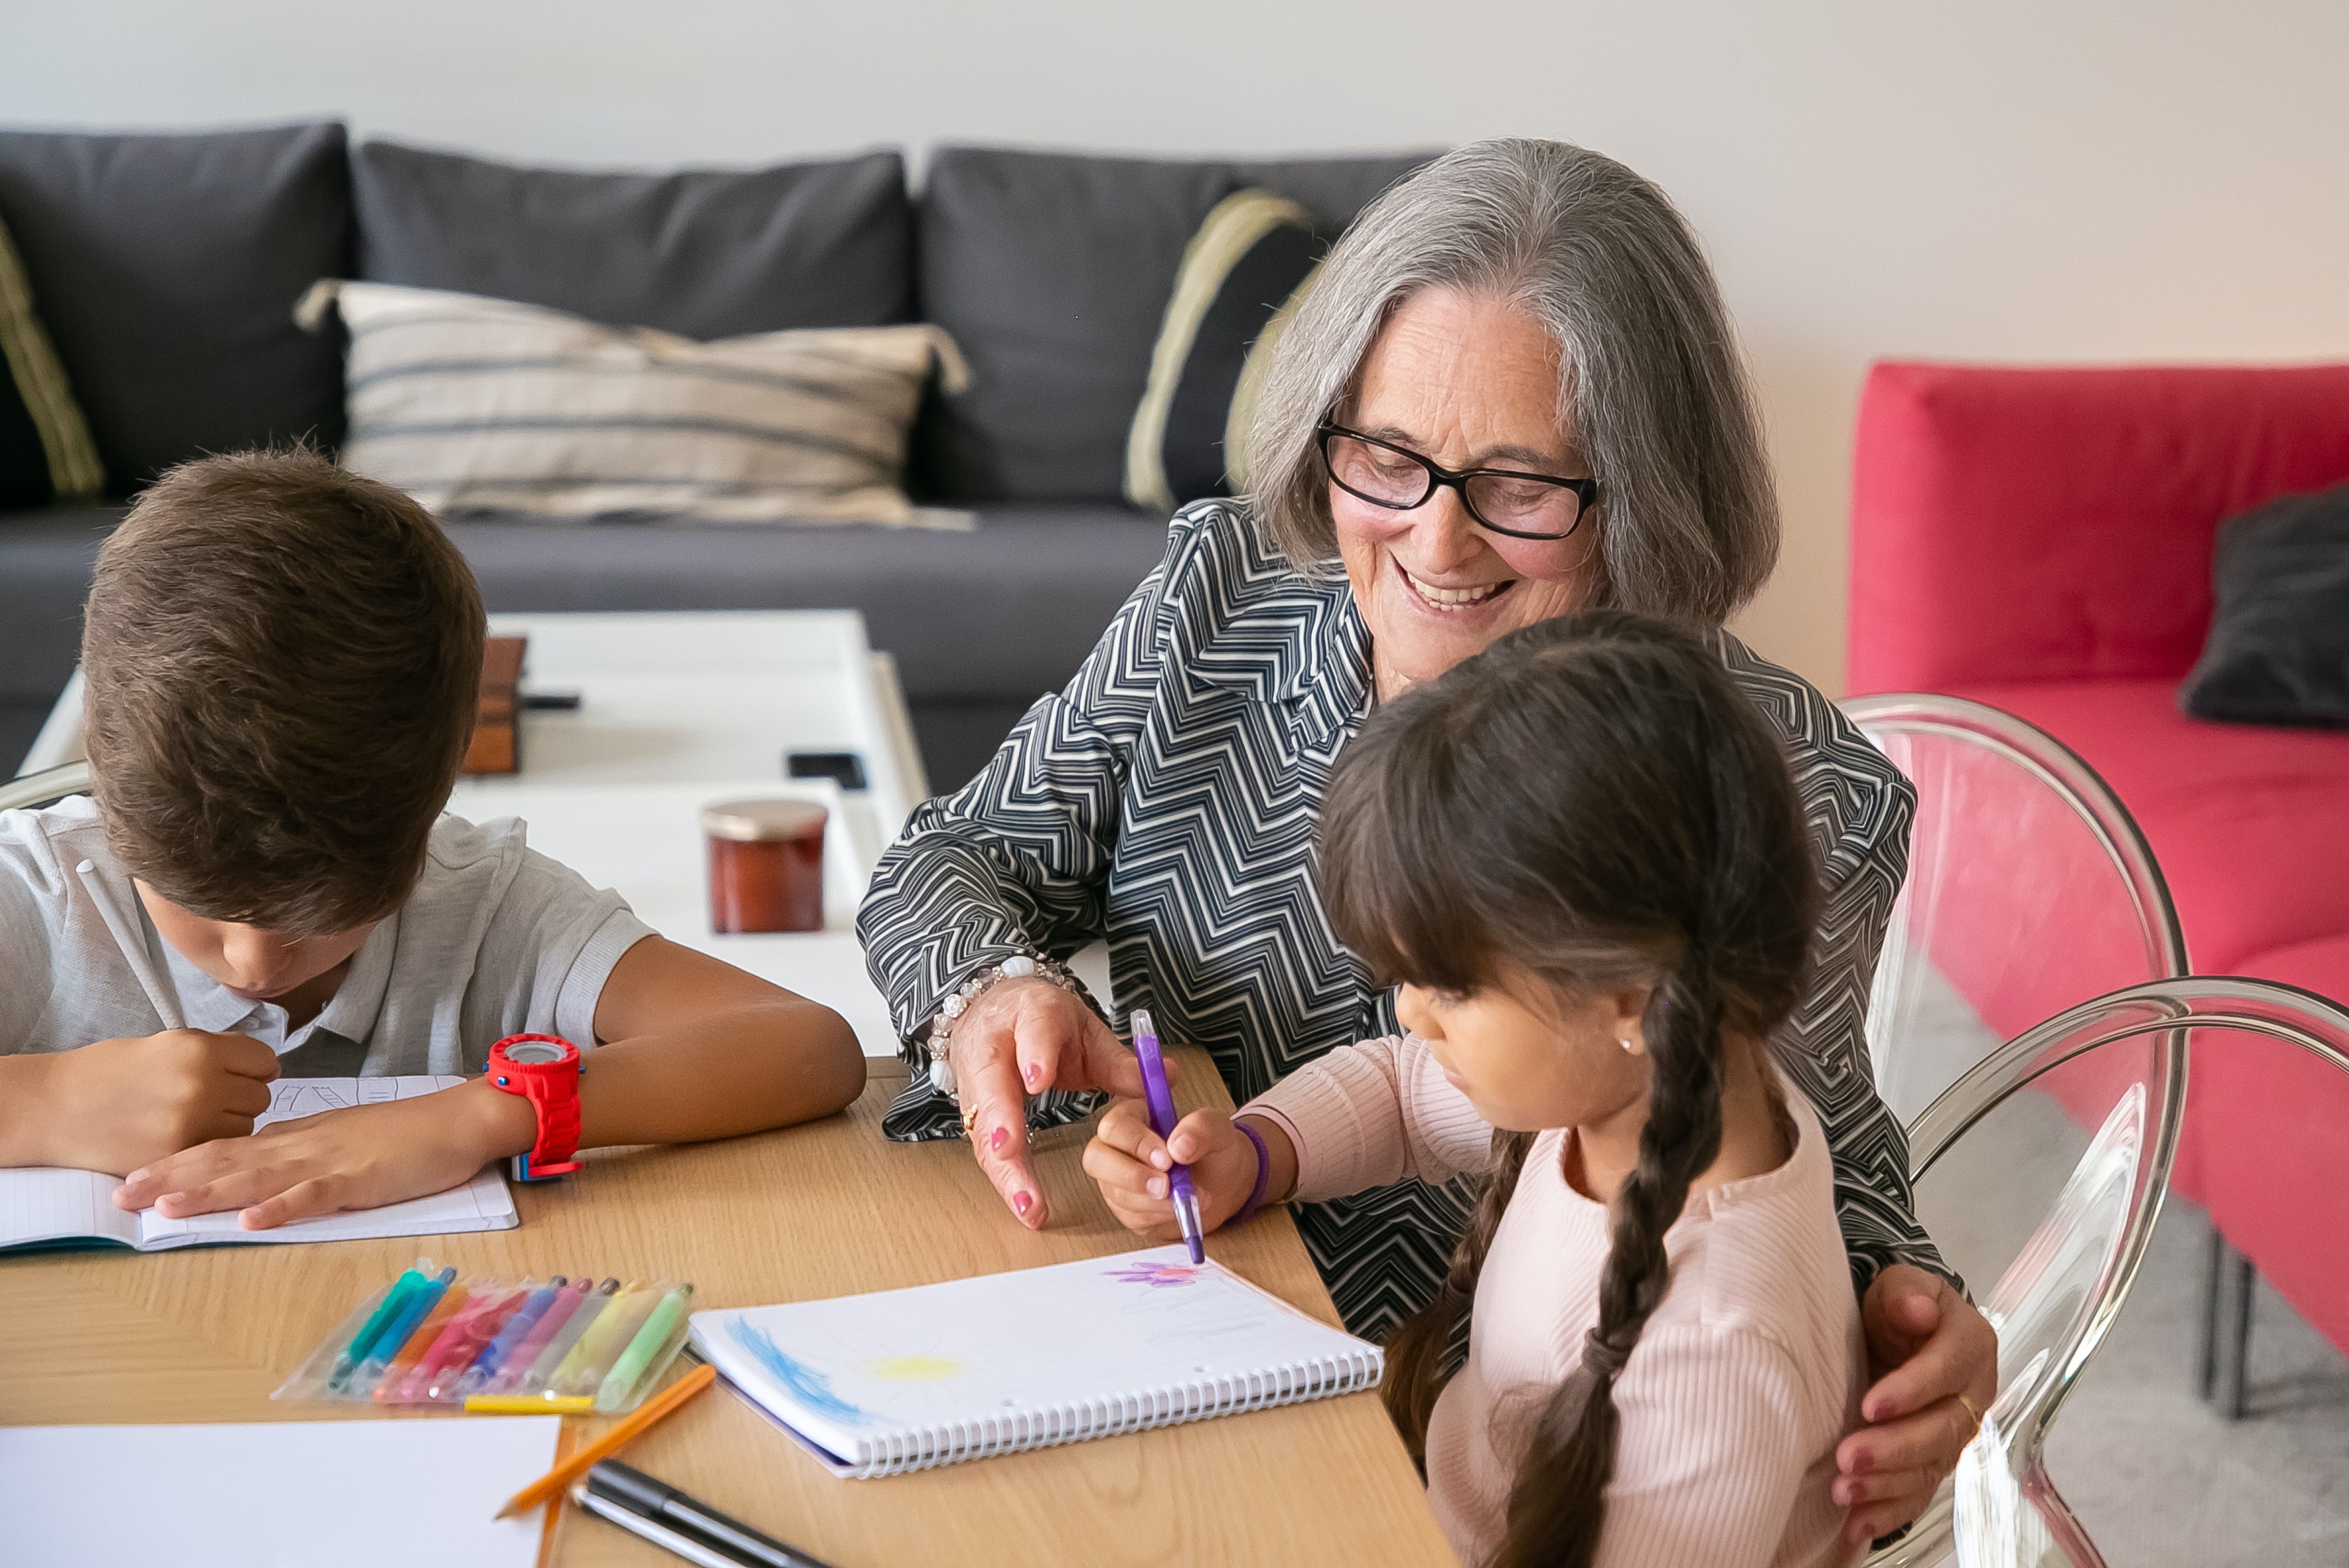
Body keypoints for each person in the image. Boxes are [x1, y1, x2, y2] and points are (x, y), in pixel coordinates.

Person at [857, 138, 1992, 1544]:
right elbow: (943, 864)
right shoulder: (1221, 597)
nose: (1436, 545)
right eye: (1388, 458)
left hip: (1496, 1468)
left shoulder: (1781, 783)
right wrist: (997, 992)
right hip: (1149, 1324)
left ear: (1646, 492)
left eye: (1520, 488)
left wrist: (1917, 1321)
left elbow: (1810, 1153)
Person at [1090, 612, 1863, 1567]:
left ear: (1626, 996)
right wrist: (1254, 1156)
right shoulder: (1660, 1083)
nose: (1411, 1014)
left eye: (1449, 987)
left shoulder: (1710, 1354)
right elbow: (1402, 1092)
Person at [0, 450, 867, 1225]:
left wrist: (478, 1116)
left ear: (427, 810)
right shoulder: (35, 893)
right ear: (108, 788)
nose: (255, 964)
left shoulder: (487, 909)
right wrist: (45, 1101)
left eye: (318, 917)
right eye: (199, 905)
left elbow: (804, 1045)